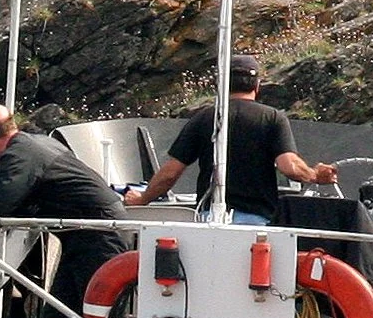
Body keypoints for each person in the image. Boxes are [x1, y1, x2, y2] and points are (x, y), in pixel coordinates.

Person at [0, 105, 132, 318]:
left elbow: (0, 201)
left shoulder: (18, 155)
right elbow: (38, 193)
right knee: (59, 316)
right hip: (85, 233)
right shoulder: (41, 144)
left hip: (98, 233)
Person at [123, 54, 336, 224]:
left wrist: (142, 200)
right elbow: (289, 167)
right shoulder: (272, 118)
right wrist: (315, 175)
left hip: (210, 219)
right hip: (257, 222)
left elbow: (170, 173)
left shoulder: (205, 118)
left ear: (222, 84)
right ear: (257, 85)